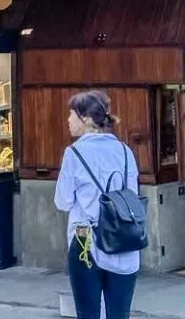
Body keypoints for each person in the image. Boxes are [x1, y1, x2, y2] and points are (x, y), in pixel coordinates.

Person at [55, 89, 140, 319]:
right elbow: (132, 195)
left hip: (85, 239)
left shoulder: (74, 153)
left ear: (86, 119)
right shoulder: (125, 151)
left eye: (72, 115)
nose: (68, 120)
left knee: (88, 313)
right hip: (124, 240)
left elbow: (62, 201)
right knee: (119, 314)